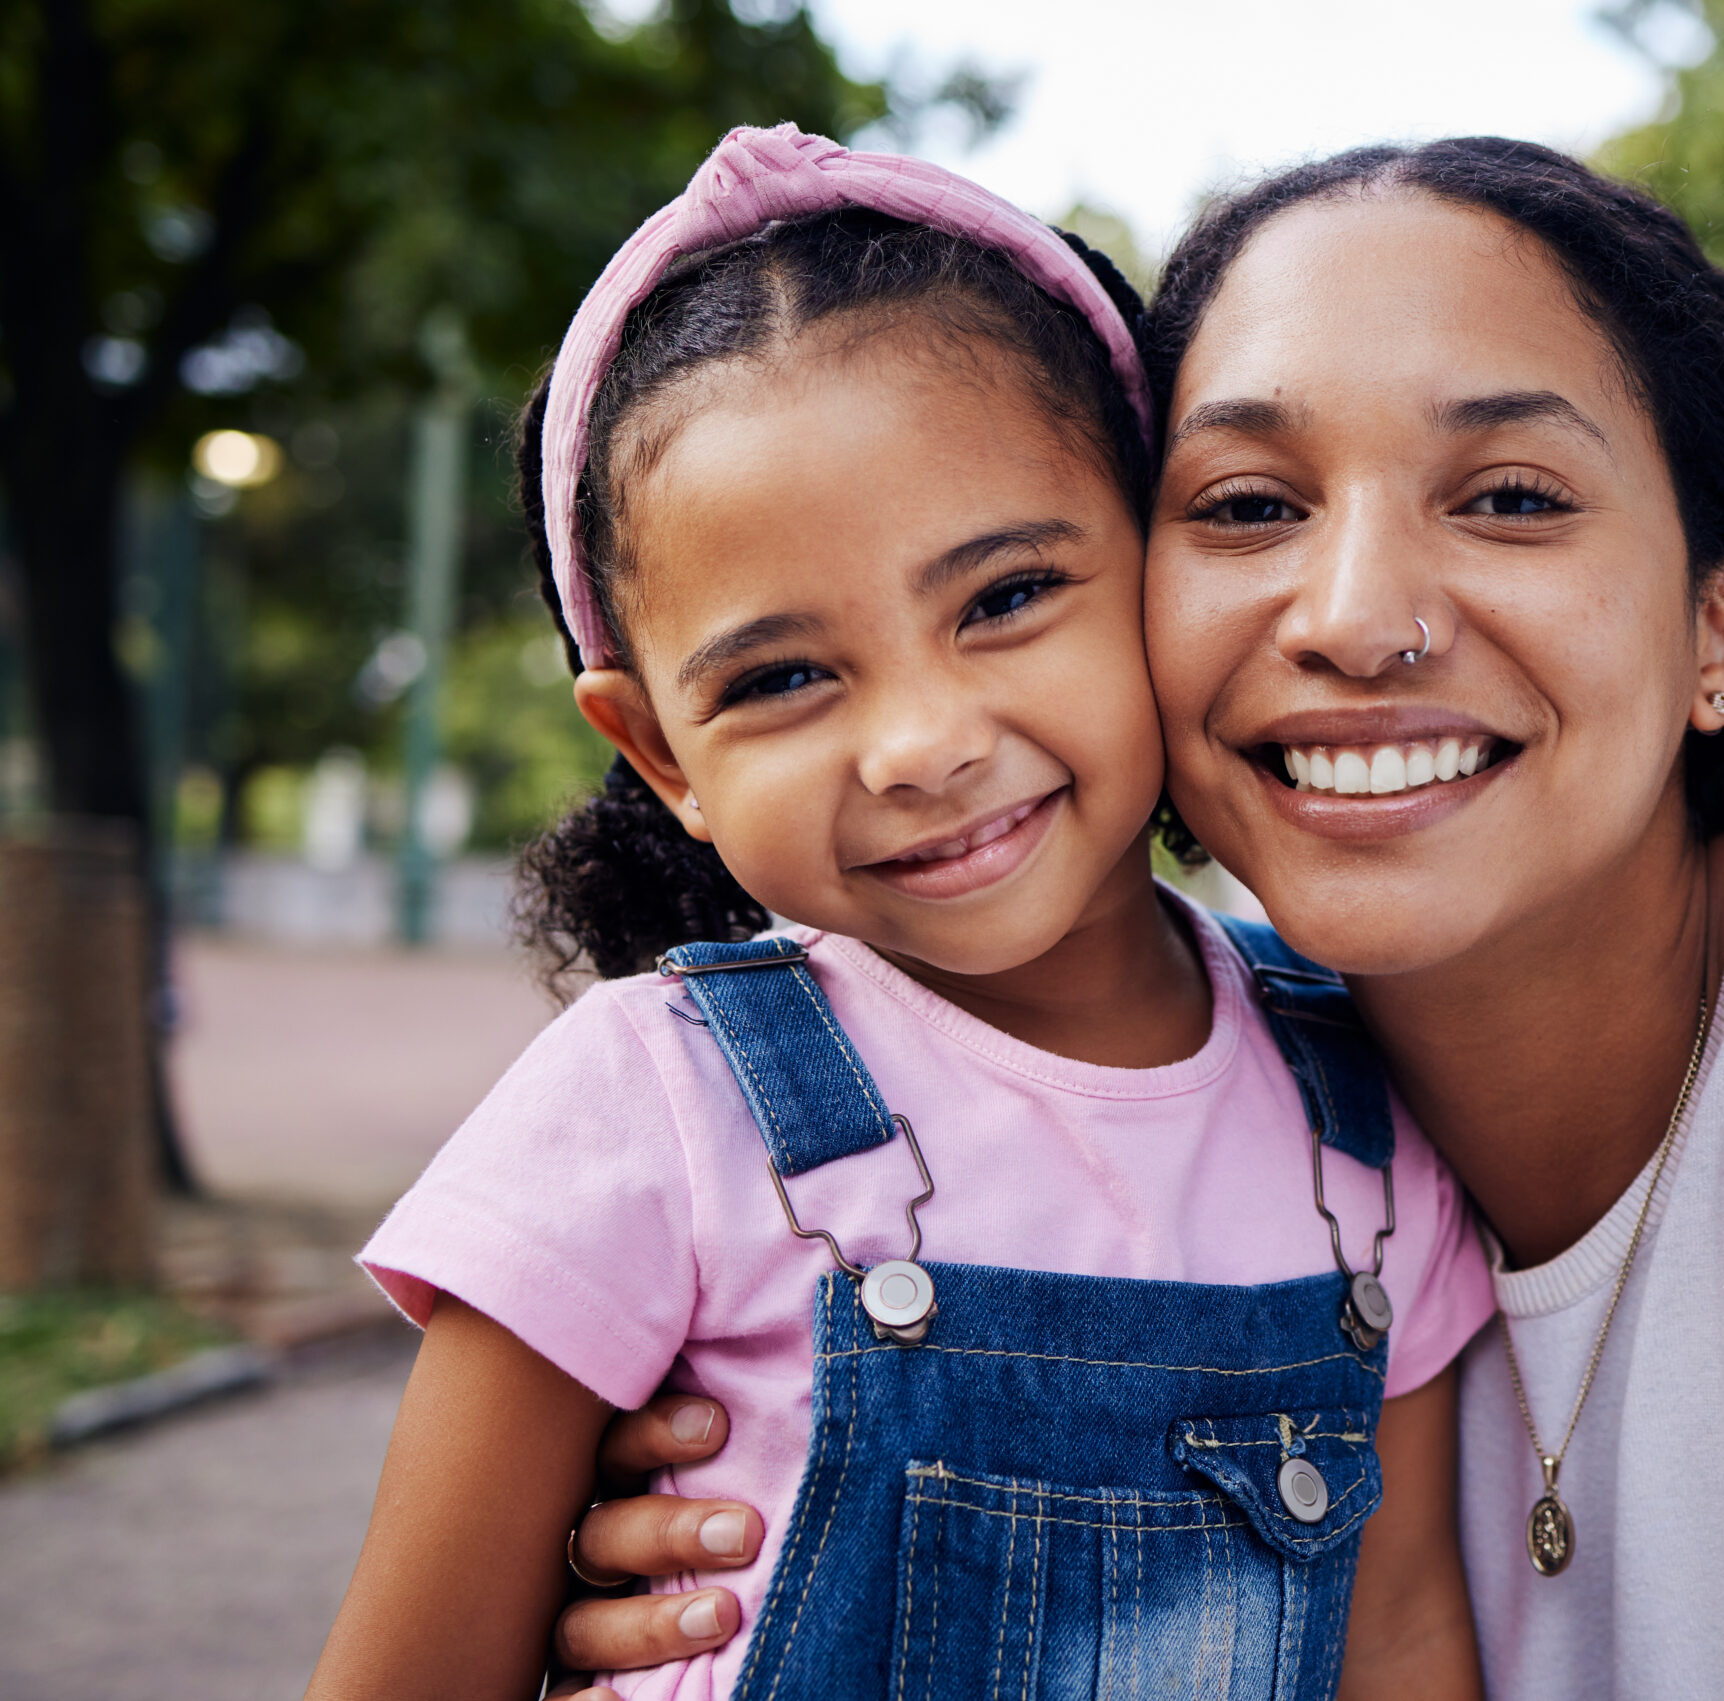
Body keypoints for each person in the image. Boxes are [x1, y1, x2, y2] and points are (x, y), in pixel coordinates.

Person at [553, 138, 1724, 1698]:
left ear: (1721, 628)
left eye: (1514, 495)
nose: (1358, 615)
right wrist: (743, 1547)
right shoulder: (1221, 1117)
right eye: (1245, 506)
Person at [306, 126, 1491, 1701]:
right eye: (783, 676)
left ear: (1158, 566)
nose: (924, 740)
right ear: (662, 752)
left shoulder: (1365, 1119)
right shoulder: (654, 1097)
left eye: (1006, 597)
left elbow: (1401, 1637)